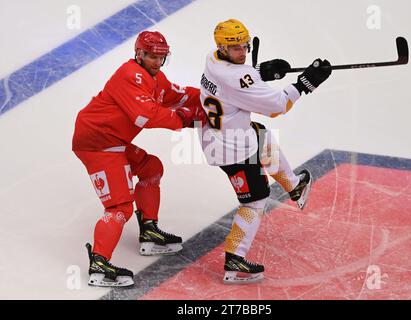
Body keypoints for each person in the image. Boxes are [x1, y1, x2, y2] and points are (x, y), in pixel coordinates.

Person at [199, 19, 332, 284]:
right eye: (235, 48)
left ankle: (294, 186)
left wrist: (260, 71)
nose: (242, 52)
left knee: (260, 133)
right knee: (255, 200)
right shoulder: (237, 77)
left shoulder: (213, 60)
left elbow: (240, 79)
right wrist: (305, 83)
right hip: (233, 150)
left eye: (244, 46)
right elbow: (277, 106)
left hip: (219, 136)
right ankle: (235, 259)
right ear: (223, 47)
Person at [72, 30, 206, 287]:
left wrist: (212, 98)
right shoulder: (129, 76)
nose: (157, 62)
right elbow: (146, 115)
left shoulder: (154, 77)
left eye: (161, 57)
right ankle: (99, 265)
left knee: (150, 168)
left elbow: (177, 95)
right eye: (152, 56)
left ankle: (150, 233)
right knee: (119, 206)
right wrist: (187, 118)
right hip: (97, 143)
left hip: (112, 140)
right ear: (139, 54)